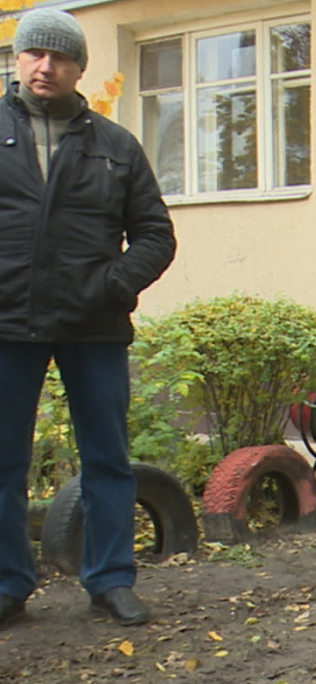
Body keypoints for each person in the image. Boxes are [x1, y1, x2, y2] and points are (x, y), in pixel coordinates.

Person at [0, 8, 177, 627]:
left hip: (94, 326)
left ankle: (110, 580)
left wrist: (114, 286)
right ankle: (7, 582)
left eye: (61, 57)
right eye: (34, 54)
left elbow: (155, 233)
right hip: (6, 326)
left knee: (107, 458)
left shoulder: (115, 145)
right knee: (3, 460)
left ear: (81, 67)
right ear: (18, 60)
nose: (46, 67)